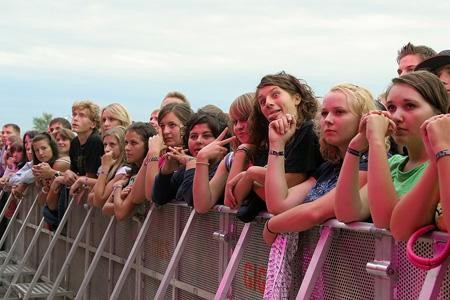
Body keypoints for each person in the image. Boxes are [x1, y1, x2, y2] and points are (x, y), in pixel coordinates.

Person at [262, 83, 375, 298]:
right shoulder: (328, 167)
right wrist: (277, 145)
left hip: (357, 282)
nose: (328, 119)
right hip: (329, 279)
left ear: (363, 118)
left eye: (339, 112)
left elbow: (316, 212)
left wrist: (271, 225)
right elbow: (279, 204)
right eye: (324, 113)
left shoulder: (371, 164)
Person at [335, 71, 449, 230]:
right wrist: (354, 148)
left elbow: (386, 220)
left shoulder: (444, 164)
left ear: (439, 113)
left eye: (410, 106)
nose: (396, 116)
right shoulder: (394, 164)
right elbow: (347, 213)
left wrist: (376, 141)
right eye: (391, 107)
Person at [228, 72, 323, 222]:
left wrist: (251, 175)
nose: (268, 103)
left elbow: (287, 185)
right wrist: (252, 177)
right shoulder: (270, 138)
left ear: (296, 98)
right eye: (262, 101)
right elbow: (233, 200)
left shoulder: (308, 131)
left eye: (275, 94)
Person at [152, 111, 229, 207]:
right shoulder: (185, 169)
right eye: (193, 136)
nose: (198, 141)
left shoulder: (224, 167)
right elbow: (159, 198)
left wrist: (192, 163)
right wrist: (165, 173)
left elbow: (193, 200)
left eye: (206, 136)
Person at [193, 93, 253, 213]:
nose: (239, 127)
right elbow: (202, 205)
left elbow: (233, 200)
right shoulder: (230, 159)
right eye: (235, 122)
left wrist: (242, 151)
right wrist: (202, 158)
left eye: (244, 119)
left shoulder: (275, 154)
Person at [130, 102, 194, 206]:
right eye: (162, 126)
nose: (165, 131)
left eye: (172, 125)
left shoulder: (190, 157)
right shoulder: (164, 155)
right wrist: (151, 153)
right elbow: (136, 197)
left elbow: (151, 195)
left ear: (186, 128)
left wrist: (154, 153)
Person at [102, 123, 156, 220]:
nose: (127, 148)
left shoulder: (146, 172)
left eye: (134, 143)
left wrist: (118, 187)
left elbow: (121, 213)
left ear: (148, 145)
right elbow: (105, 208)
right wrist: (120, 197)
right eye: (126, 142)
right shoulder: (130, 173)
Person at [91, 126, 128, 208]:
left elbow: (98, 201)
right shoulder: (109, 166)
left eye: (112, 145)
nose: (107, 149)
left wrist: (105, 167)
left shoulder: (125, 170)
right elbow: (90, 197)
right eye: (105, 145)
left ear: (123, 146)